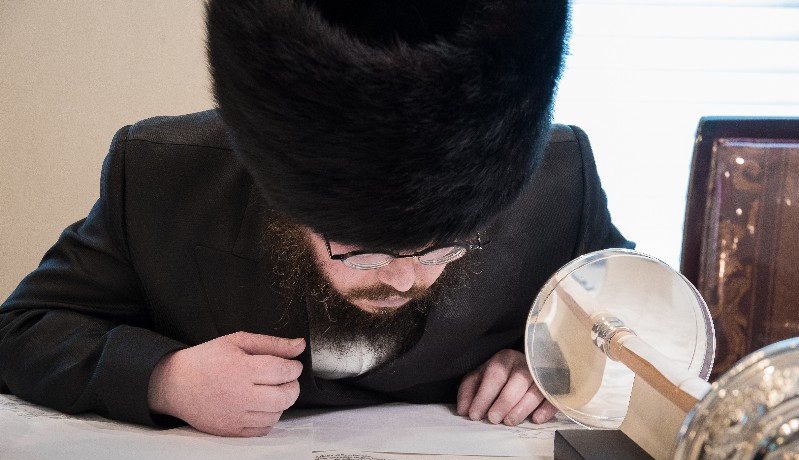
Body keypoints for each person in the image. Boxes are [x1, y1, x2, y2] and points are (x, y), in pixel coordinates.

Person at [0, 0, 630, 437]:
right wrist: (164, 380)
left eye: (443, 249)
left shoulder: (557, 180)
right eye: (365, 251)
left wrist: (558, 363)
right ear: (285, 203)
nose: (405, 279)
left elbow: (645, 327)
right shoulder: (161, 175)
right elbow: (21, 329)